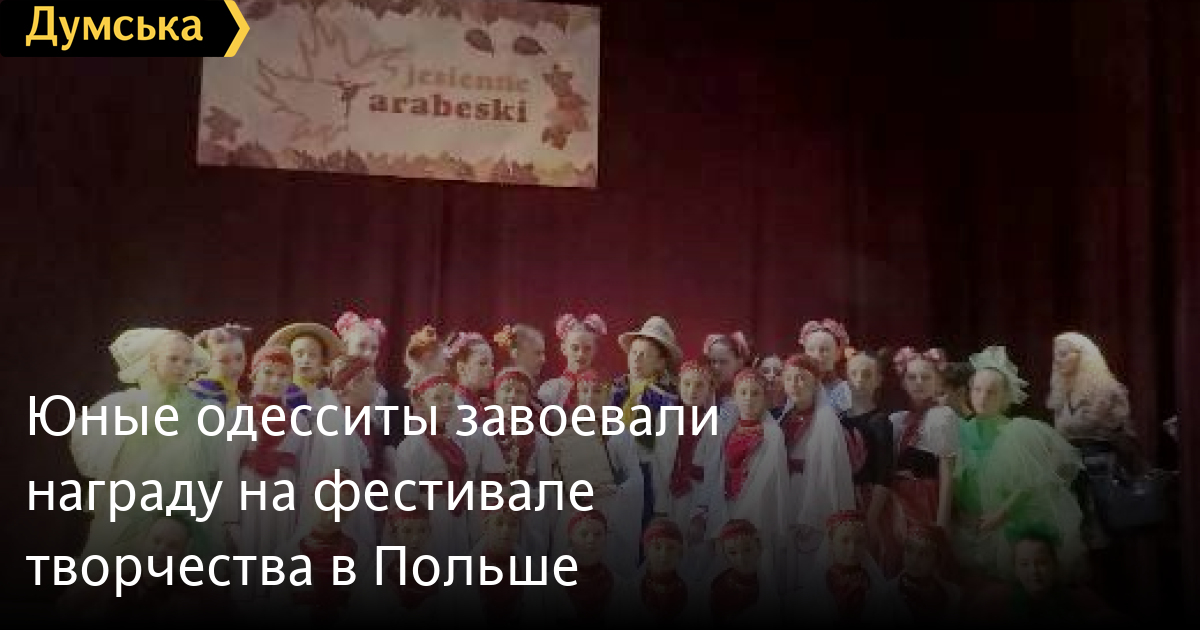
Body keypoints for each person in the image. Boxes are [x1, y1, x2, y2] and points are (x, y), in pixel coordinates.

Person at [72, 329, 218, 561]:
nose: (181, 366)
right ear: (153, 360)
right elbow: (94, 452)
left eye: (187, 361)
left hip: (175, 506)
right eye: (173, 359)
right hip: (129, 500)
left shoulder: (201, 411)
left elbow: (207, 465)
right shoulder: (126, 405)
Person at [952, 346, 1085, 584]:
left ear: (1004, 397)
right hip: (970, 527)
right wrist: (964, 517)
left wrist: (1001, 514)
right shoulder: (957, 431)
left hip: (1010, 524)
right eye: (977, 390)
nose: (982, 398)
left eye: (991, 392)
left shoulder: (1018, 431)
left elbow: (1033, 481)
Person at [884, 347, 960, 575]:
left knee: (925, 560)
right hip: (898, 502)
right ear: (903, 383)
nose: (918, 382)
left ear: (938, 382)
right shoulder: (897, 420)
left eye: (926, 377)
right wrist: (894, 506)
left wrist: (942, 522)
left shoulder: (942, 416)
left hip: (925, 500)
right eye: (912, 377)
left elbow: (947, 474)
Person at [965, 523, 1121, 625]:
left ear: (1055, 565)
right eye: (1024, 564)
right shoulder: (996, 600)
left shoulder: (1079, 598)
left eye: (1041, 563)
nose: (1034, 571)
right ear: (1015, 569)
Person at [612, 316, 683, 530]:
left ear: (660, 363)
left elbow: (665, 454)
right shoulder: (616, 391)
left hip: (646, 477)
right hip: (614, 474)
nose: (636, 359)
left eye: (644, 355)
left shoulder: (665, 400)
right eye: (634, 352)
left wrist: (660, 501)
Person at [872, 523, 961, 624]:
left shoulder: (953, 595)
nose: (914, 560)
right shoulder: (886, 595)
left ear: (937, 559)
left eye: (924, 553)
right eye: (909, 550)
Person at [709, 519, 781, 622]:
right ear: (725, 554)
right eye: (733, 552)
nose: (741, 558)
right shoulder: (721, 588)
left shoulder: (772, 578)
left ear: (759, 547)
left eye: (747, 549)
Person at [539, 313, 607, 409]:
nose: (581, 354)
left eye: (587, 349)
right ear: (564, 349)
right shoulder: (550, 388)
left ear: (594, 351)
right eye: (575, 348)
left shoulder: (603, 389)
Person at [799, 318, 853, 416]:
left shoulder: (844, 391)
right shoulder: (798, 386)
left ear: (837, 353)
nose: (817, 355)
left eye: (824, 350)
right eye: (811, 349)